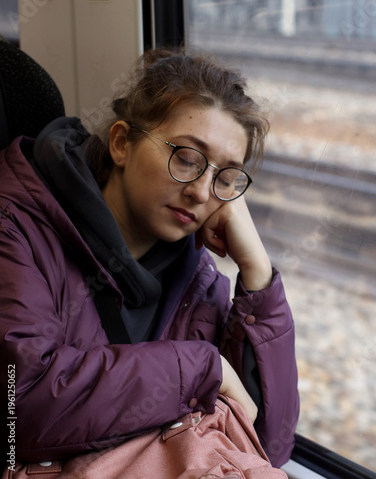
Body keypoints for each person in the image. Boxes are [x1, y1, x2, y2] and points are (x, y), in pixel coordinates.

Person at [0, 48, 299, 473]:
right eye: (188, 159)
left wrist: (257, 274)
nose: (201, 192)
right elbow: (20, 411)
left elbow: (268, 443)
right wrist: (200, 366)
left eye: (226, 177)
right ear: (122, 143)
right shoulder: (17, 228)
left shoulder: (197, 277)